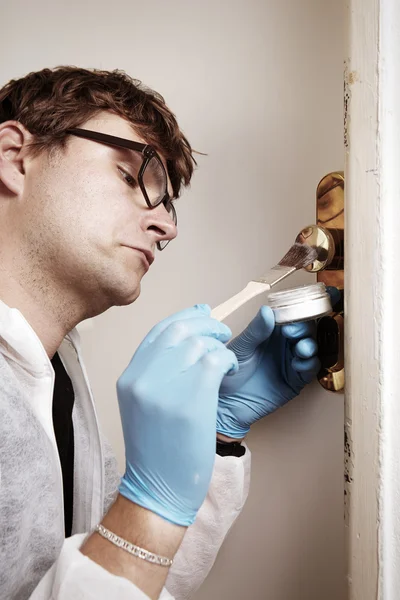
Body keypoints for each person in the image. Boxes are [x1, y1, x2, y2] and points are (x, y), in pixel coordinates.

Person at [0, 66, 322, 600]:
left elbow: (116, 572)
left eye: (167, 204)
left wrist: (215, 432)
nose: (166, 226)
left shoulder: (57, 376)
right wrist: (151, 503)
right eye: (130, 177)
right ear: (14, 156)